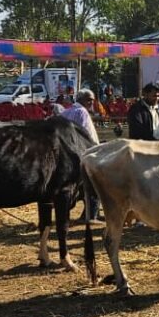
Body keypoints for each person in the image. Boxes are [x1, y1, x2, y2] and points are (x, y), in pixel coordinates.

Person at [62, 89, 101, 221]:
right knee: (95, 184)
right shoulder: (82, 112)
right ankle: (91, 215)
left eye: (92, 100)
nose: (91, 103)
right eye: (89, 100)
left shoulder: (66, 111)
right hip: (85, 153)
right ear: (81, 99)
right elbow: (85, 134)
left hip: (68, 154)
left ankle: (86, 214)